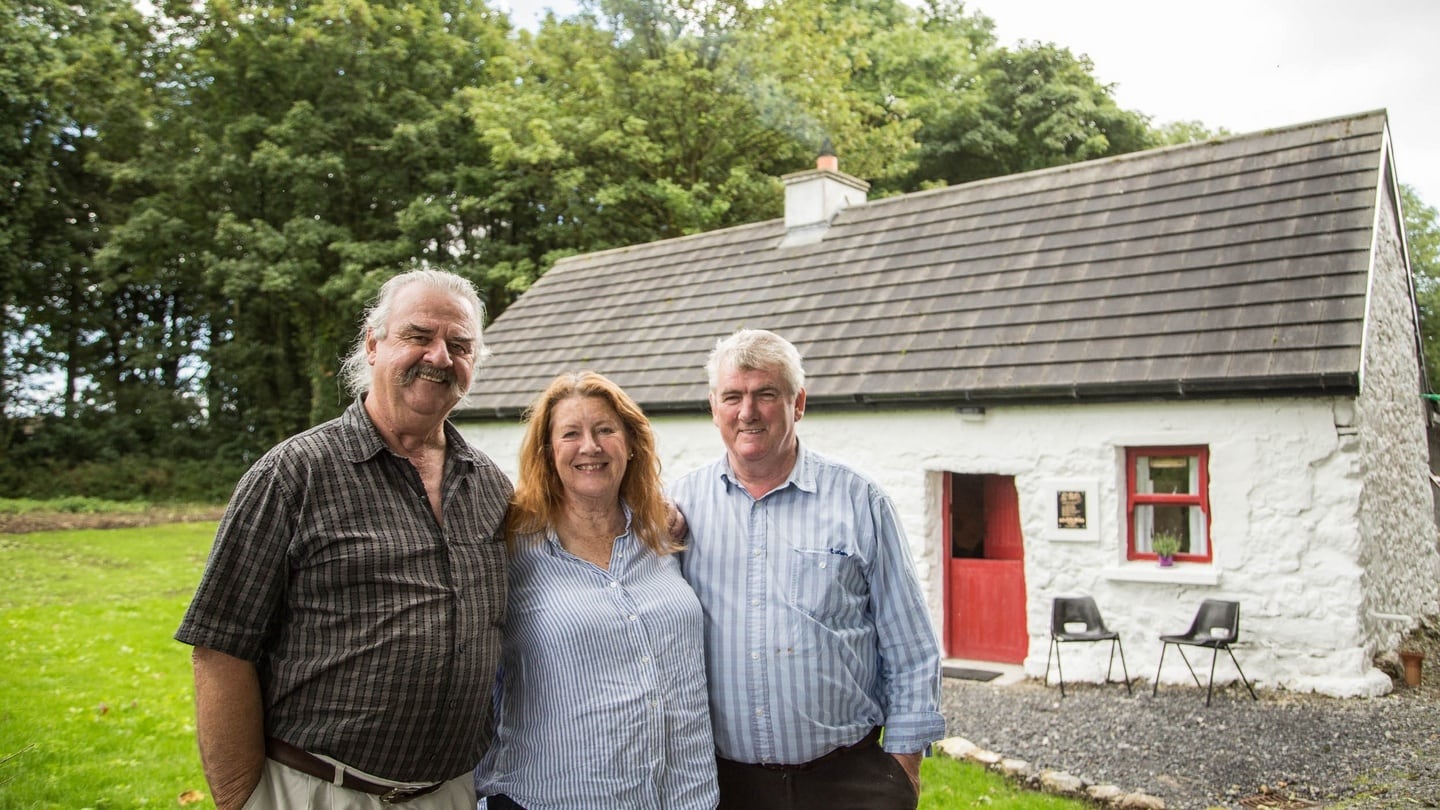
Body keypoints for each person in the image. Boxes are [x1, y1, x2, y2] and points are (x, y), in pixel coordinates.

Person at [175, 269, 512, 809]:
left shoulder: (491, 487)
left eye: (459, 344)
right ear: (373, 345)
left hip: (450, 792)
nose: (440, 357)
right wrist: (242, 799)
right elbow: (220, 647)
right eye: (419, 336)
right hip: (318, 790)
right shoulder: (292, 475)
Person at [668, 329, 945, 810]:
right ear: (714, 407)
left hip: (847, 780)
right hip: (726, 785)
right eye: (732, 396)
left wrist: (902, 768)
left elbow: (910, 648)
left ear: (798, 403)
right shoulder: (682, 505)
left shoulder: (860, 501)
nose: (747, 412)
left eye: (766, 395)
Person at [476, 371, 718, 809]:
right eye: (571, 434)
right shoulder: (511, 547)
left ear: (630, 442)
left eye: (605, 430)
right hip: (556, 797)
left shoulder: (662, 535)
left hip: (685, 795)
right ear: (548, 452)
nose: (590, 446)